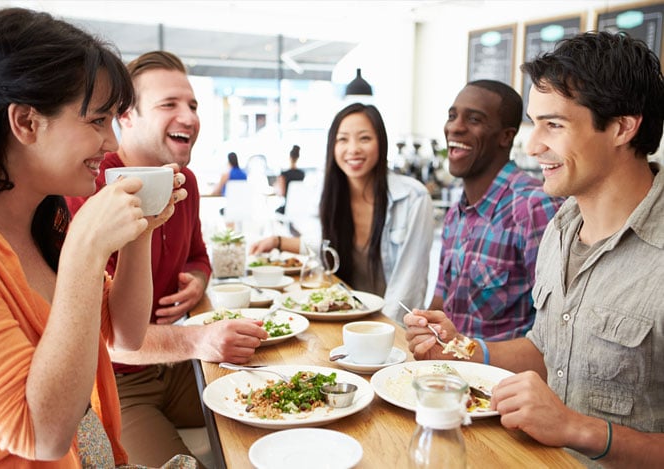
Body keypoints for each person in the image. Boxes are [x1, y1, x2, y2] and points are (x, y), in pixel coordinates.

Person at [405, 31, 664, 466]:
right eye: (534, 122)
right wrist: (464, 348)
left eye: (554, 125)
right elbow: (546, 350)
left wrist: (576, 428)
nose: (532, 145)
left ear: (622, 126)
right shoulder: (561, 228)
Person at [0, 7, 189, 467]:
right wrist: (85, 251)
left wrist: (142, 230)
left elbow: (125, 333)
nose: (111, 142)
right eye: (97, 121)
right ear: (26, 122)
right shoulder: (69, 236)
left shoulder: (49, 223)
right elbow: (42, 435)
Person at [66, 51, 268, 467]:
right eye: (169, 105)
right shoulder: (88, 184)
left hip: (175, 367)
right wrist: (199, 339)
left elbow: (199, 256)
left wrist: (197, 278)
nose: (190, 117)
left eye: (192, 105)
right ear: (126, 117)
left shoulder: (185, 181)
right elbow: (111, 337)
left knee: (280, 406)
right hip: (118, 384)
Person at [251, 103, 434, 323]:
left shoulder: (413, 198)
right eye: (343, 139)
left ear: (381, 144)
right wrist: (278, 241)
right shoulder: (332, 196)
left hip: (389, 328)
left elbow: (408, 286)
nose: (353, 148)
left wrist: (383, 333)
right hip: (346, 315)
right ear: (332, 147)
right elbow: (327, 248)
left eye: (364, 138)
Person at [431, 80, 562, 340]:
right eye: (452, 116)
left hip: (504, 379)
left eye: (474, 119)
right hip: (450, 375)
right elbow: (440, 303)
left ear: (506, 136)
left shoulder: (535, 207)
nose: (455, 127)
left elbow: (557, 334)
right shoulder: (455, 213)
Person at [275, 144, 305, 214]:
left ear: (289, 157)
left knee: (276, 212)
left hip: (287, 208)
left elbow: (281, 193)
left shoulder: (283, 174)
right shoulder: (302, 174)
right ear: (298, 157)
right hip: (299, 208)